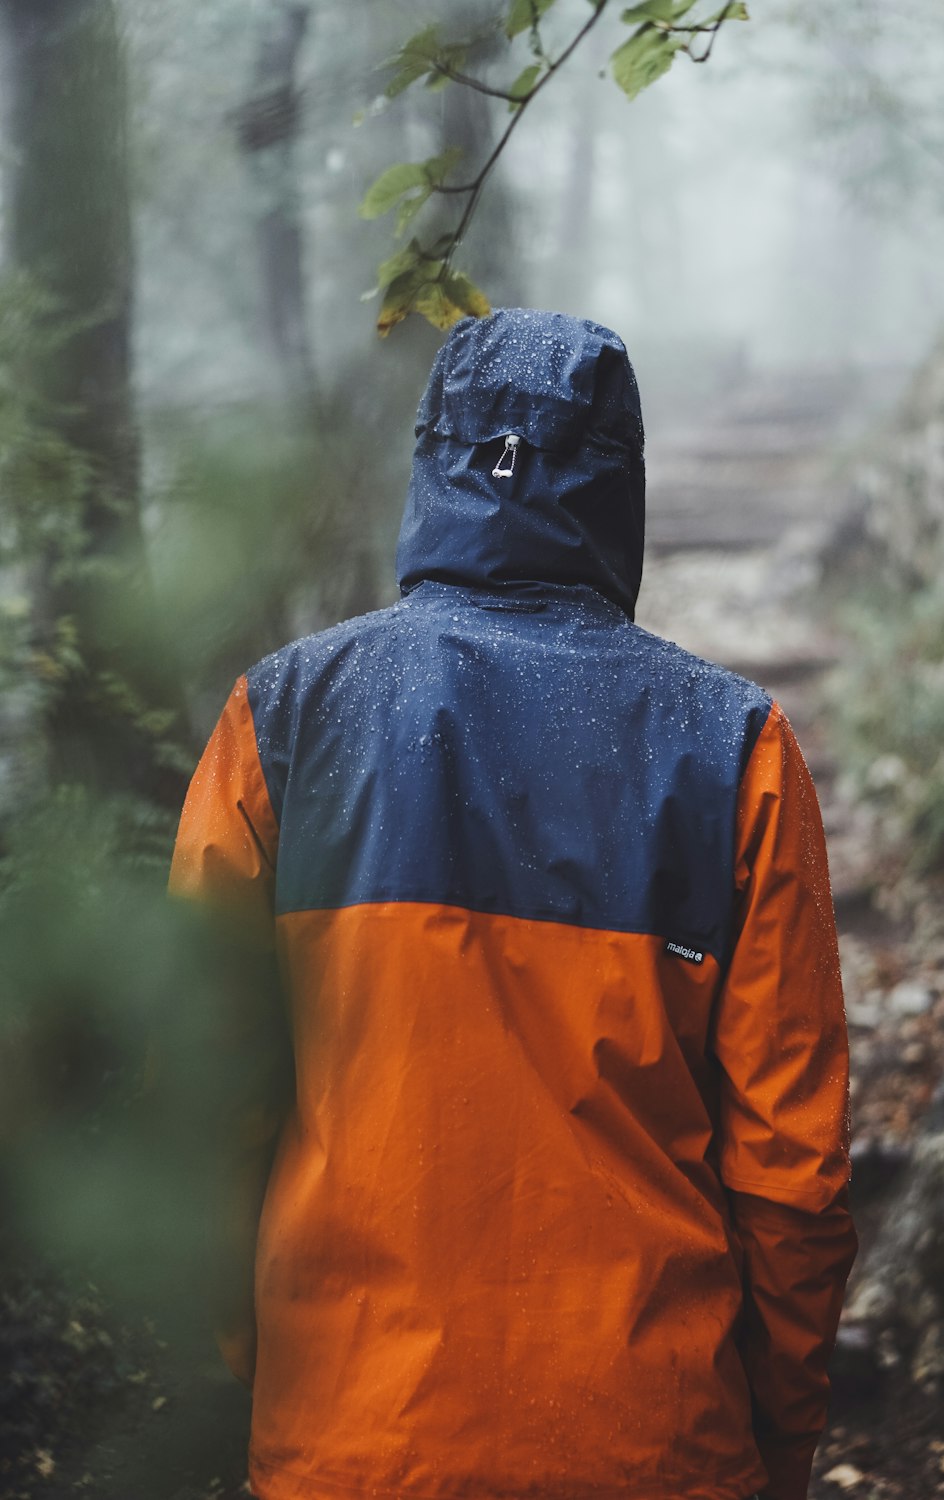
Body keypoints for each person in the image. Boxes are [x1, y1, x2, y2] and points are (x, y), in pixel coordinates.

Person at [170, 308, 857, 1500]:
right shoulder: (736, 750)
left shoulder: (280, 724)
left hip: (355, 1440)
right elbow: (793, 1168)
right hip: (654, 1445)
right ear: (617, 488)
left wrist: (263, 1367)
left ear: (432, 462)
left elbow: (198, 1109)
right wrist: (779, 1436)